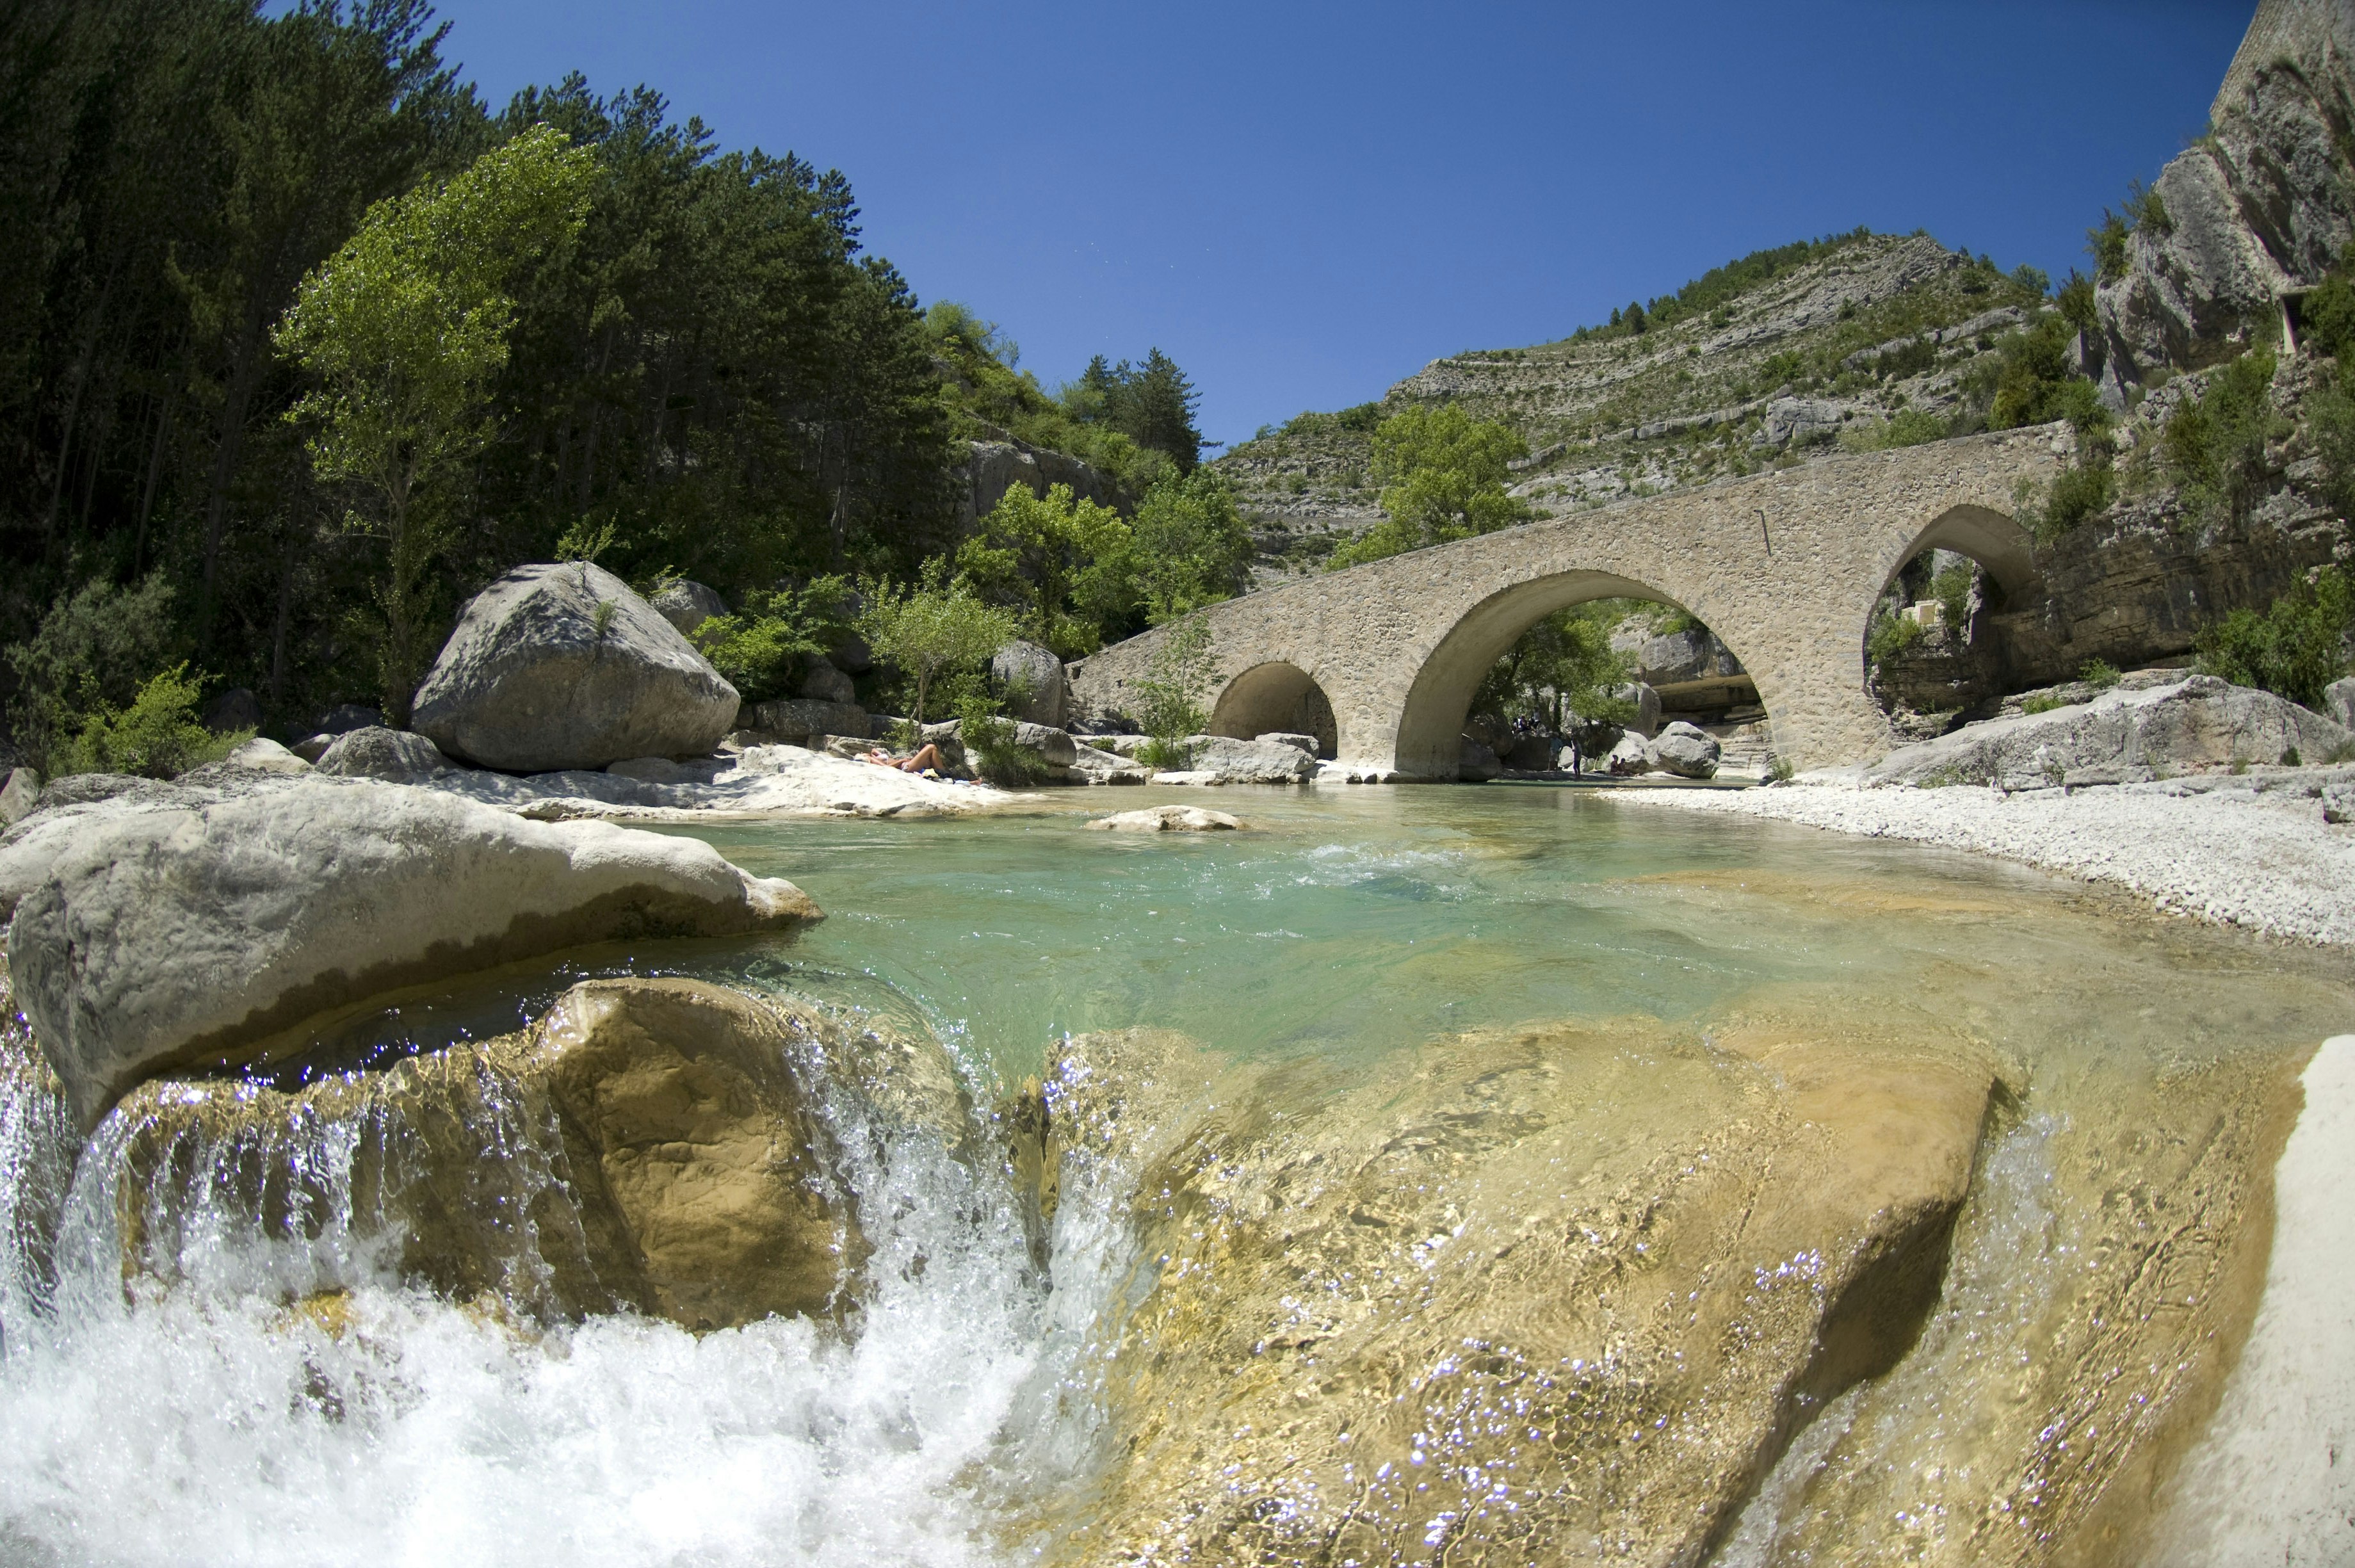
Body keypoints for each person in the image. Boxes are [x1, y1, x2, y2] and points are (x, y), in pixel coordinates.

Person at [858, 742, 943, 775]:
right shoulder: (870, 759)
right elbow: (886, 768)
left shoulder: (874, 757)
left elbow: (873, 750)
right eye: (861, 754)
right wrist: (901, 760)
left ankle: (941, 772)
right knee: (931, 747)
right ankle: (944, 773)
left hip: (907, 764)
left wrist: (874, 754)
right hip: (905, 768)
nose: (862, 753)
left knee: (929, 755)